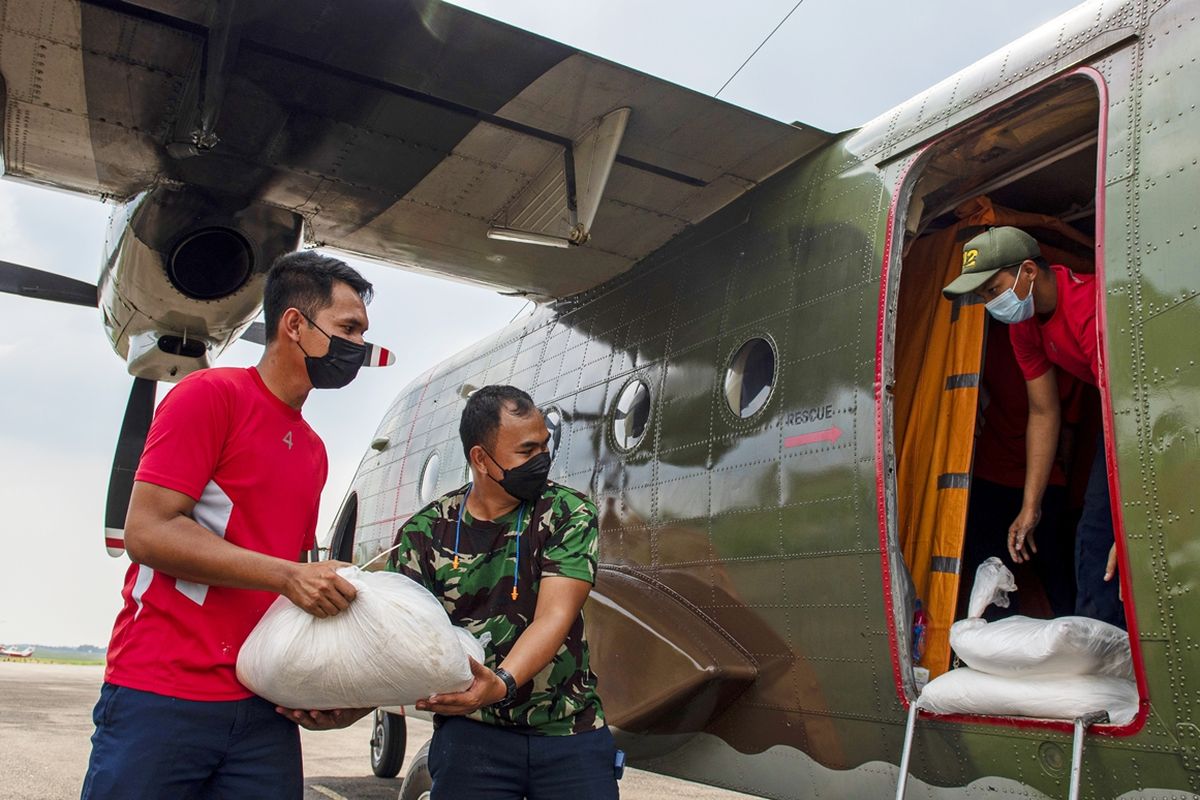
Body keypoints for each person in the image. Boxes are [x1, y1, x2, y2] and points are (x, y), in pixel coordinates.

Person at [82, 251, 386, 799]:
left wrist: (329, 688)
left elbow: (287, 582)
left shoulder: (313, 450)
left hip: (261, 705)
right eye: (348, 328)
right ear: (295, 324)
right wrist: (289, 575)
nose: (359, 347)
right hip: (162, 693)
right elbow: (147, 532)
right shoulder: (209, 396)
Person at [388, 385, 619, 799]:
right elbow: (399, 637)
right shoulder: (425, 534)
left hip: (567, 731)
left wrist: (502, 682)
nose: (542, 461)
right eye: (527, 452)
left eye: (545, 447)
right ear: (481, 458)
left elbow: (554, 616)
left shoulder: (566, 513)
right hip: (474, 739)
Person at [943, 226, 1124, 628]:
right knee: (1093, 544)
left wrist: (1132, 516)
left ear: (1027, 271)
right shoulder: (1023, 326)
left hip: (1135, 416)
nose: (989, 303)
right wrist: (1030, 506)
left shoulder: (1092, 308)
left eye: (992, 290)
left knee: (1104, 545)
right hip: (1118, 417)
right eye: (983, 296)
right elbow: (1043, 412)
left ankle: (1117, 671)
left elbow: (1129, 405)